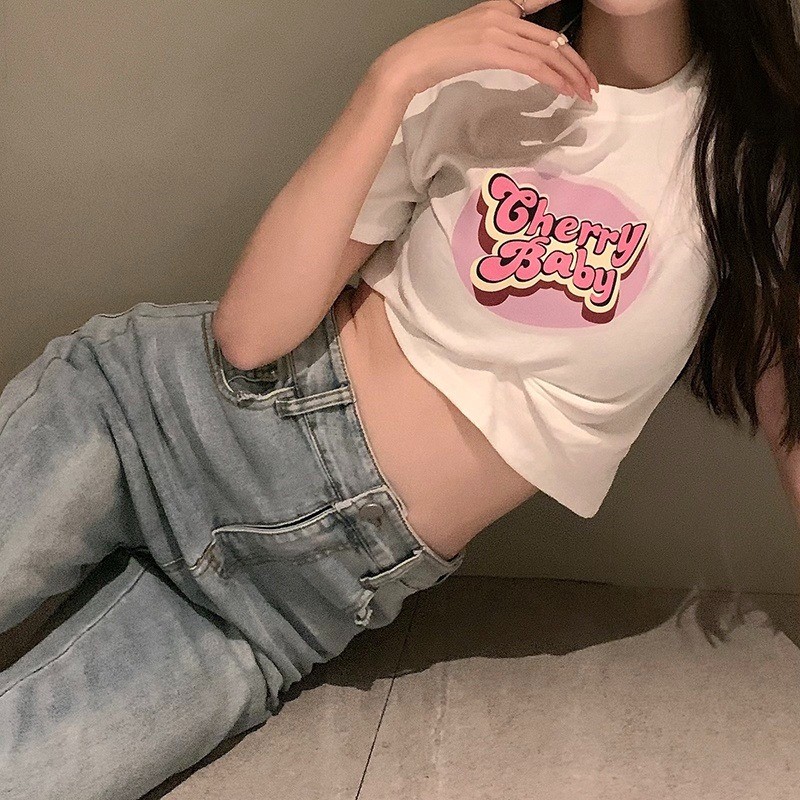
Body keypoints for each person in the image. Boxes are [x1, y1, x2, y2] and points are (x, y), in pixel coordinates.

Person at [1, 1, 798, 797]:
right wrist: (392, 79)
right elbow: (247, 336)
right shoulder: (480, 77)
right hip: (150, 419)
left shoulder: (751, 163)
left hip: (278, 607)